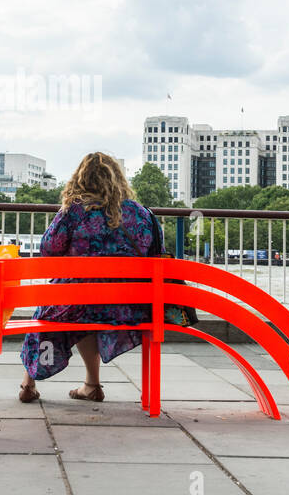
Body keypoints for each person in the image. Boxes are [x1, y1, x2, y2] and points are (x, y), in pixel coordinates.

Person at [17, 152, 196, 403]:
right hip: (129, 306)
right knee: (89, 310)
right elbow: (154, 253)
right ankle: (91, 385)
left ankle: (29, 382)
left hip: (77, 303)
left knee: (51, 310)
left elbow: (48, 250)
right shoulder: (143, 215)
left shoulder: (74, 212)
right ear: (118, 179)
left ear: (80, 180)